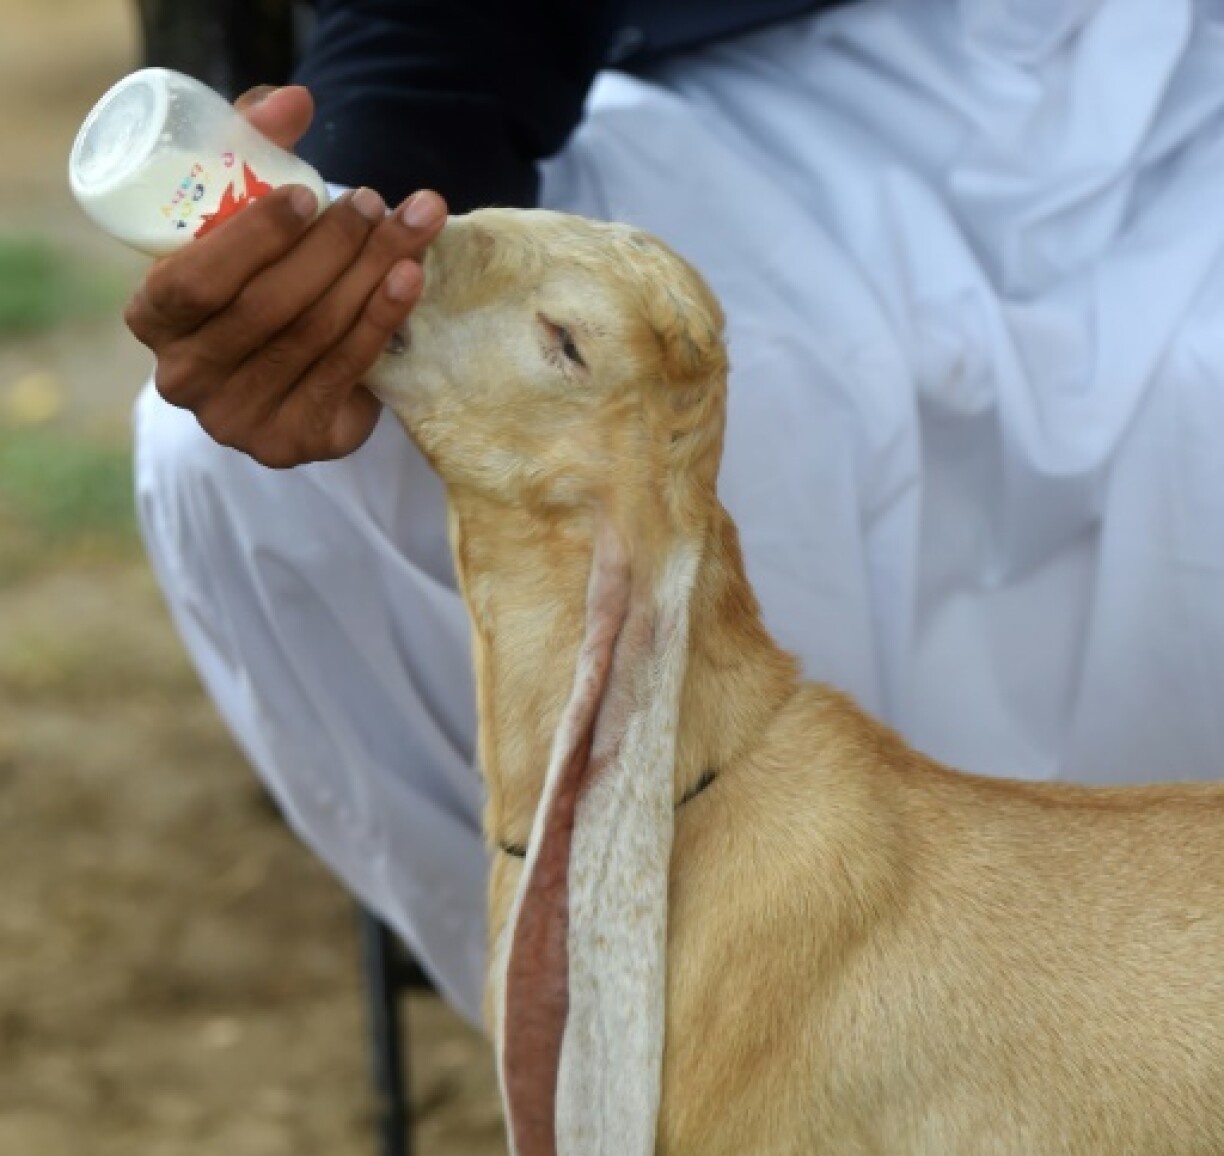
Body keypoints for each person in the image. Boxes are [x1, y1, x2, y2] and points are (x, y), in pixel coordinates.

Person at [128, 0, 1224, 1027]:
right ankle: (680, 1066)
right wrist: (355, 240)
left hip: (1185, 96)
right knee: (247, 464)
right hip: (737, 104)